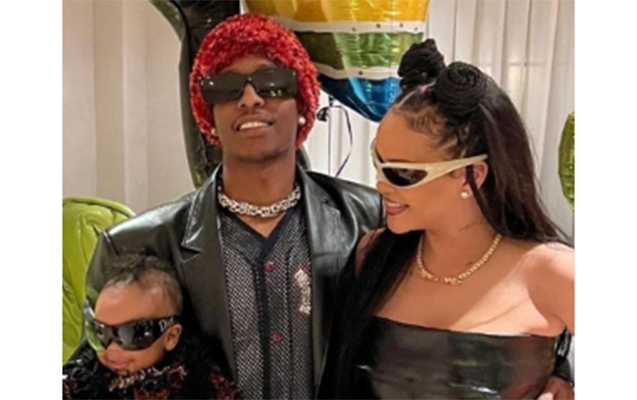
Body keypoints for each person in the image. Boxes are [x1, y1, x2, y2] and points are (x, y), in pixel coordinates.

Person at [66, 15, 573, 400]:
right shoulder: (138, 244)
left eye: (272, 83)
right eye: (226, 88)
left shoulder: (373, 222)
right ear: (206, 113)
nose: (250, 99)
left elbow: (485, 298)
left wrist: (552, 373)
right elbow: (89, 378)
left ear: (305, 102)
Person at [328, 40, 575, 400]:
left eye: (402, 173)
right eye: (377, 161)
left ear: (472, 174)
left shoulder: (554, 273)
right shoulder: (374, 255)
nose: (380, 184)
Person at [63, 254, 238, 399]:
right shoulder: (80, 382)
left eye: (131, 334)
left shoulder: (200, 382)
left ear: (171, 337)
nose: (112, 348)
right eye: (100, 333)